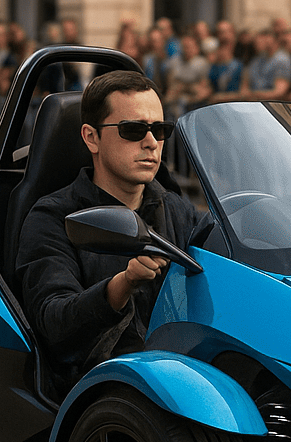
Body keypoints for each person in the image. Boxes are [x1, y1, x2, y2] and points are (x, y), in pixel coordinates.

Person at [15, 70, 200, 394]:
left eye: (160, 130)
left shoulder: (177, 209)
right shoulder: (53, 216)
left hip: (188, 376)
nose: (151, 142)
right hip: (101, 388)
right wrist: (122, 284)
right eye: (133, 130)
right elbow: (54, 323)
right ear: (91, 137)